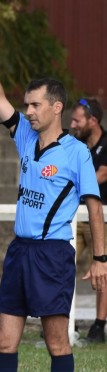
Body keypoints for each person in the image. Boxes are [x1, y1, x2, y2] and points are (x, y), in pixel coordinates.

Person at [0, 13, 107, 372]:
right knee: (4, 339)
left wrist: (100, 258)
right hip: (20, 251)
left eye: (34, 105)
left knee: (56, 340)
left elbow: (94, 208)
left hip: (52, 255)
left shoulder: (77, 153)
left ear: (56, 107)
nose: (27, 111)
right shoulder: (25, 136)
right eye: (27, 105)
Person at [68, 97, 107, 342]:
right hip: (74, 217)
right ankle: (63, 319)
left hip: (100, 219)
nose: (72, 125)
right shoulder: (75, 145)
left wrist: (71, 183)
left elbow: (101, 174)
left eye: (77, 120)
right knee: (60, 264)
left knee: (102, 270)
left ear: (92, 121)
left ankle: (99, 326)